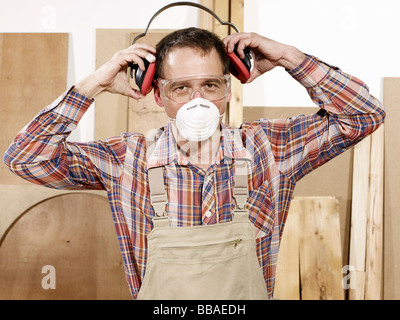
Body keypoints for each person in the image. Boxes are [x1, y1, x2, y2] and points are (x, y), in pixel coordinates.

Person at [4, 27, 385, 299]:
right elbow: (25, 159)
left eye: (210, 85)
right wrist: (93, 84)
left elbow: (364, 115)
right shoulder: (126, 159)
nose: (197, 100)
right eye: (180, 88)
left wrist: (290, 58)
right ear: (158, 95)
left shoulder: (269, 149)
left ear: (227, 88)